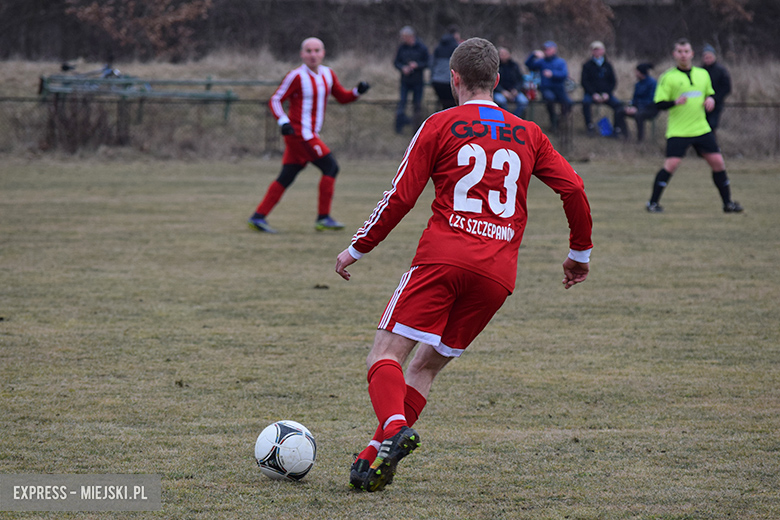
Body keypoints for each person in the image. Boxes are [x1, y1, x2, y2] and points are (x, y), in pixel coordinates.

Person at [335, 37, 593, 492]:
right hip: (496, 276)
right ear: (497, 79)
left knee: (384, 356)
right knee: (424, 369)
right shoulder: (529, 133)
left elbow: (401, 196)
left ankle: (393, 429)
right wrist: (579, 254)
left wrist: (359, 247)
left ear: (453, 78)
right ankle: (373, 457)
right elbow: (573, 189)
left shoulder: (440, 123)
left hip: (442, 260)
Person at [248, 37, 370, 233]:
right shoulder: (296, 76)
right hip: (299, 134)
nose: (313, 55)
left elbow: (342, 97)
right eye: (308, 51)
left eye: (316, 50)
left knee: (287, 175)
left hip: (309, 134)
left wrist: (357, 91)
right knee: (331, 167)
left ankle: (258, 217)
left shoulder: (328, 74)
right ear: (301, 54)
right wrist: (283, 121)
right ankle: (323, 218)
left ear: (323, 53)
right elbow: (276, 100)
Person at [646, 38, 742, 214]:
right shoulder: (668, 77)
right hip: (679, 130)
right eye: (680, 52)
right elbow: (658, 104)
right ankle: (652, 203)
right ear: (675, 54)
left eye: (686, 51)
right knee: (671, 165)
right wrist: (675, 102)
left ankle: (728, 204)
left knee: (718, 163)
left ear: (692, 54)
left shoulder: (702, 74)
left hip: (701, 128)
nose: (683, 55)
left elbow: (710, 93)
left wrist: (711, 99)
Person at [525, 41, 572, 131]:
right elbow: (528, 65)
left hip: (559, 88)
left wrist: (553, 74)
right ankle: (553, 121)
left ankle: (560, 119)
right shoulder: (541, 62)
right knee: (550, 99)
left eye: (548, 49)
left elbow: (564, 74)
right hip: (546, 88)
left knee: (568, 103)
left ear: (554, 50)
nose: (546, 51)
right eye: (545, 50)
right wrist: (533, 55)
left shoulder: (560, 62)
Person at [580, 41, 623, 136]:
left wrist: (607, 93)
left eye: (599, 49)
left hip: (606, 94)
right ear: (592, 51)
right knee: (585, 103)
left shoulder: (608, 65)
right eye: (595, 50)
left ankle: (616, 129)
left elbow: (613, 81)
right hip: (591, 94)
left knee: (618, 105)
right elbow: (584, 82)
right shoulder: (587, 65)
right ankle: (589, 126)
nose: (597, 52)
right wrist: (593, 94)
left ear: (603, 51)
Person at [394, 26, 430, 133]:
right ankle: (399, 127)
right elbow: (396, 62)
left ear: (411, 36)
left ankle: (416, 127)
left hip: (418, 82)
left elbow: (428, 62)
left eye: (405, 37)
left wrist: (417, 65)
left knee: (417, 104)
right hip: (405, 81)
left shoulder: (422, 48)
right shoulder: (402, 48)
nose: (404, 39)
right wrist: (402, 68)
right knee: (402, 102)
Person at [615, 62, 658, 142]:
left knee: (639, 115)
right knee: (619, 111)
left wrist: (637, 108)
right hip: (637, 107)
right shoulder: (638, 84)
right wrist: (630, 106)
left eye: (636, 72)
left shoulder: (653, 84)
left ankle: (640, 139)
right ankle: (625, 135)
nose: (635, 74)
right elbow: (635, 99)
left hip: (650, 109)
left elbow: (651, 100)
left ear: (641, 73)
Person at [701, 44, 732, 134]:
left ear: (714, 56)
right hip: (701, 104)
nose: (708, 59)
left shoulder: (721, 71)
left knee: (711, 126)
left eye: (709, 57)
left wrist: (714, 99)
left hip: (716, 105)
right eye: (706, 57)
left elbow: (727, 88)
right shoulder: (700, 71)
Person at [430, 25, 461, 110]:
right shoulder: (456, 47)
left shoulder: (438, 46)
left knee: (443, 104)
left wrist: (431, 78)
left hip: (437, 80)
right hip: (448, 81)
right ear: (455, 35)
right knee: (452, 105)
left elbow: (432, 64)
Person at [494, 47, 529, 118]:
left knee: (523, 101)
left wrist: (516, 90)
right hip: (500, 92)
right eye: (501, 54)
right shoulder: (495, 67)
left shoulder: (514, 66)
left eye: (505, 54)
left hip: (514, 91)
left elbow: (520, 80)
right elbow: (493, 81)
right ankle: (505, 118)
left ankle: (514, 117)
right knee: (501, 101)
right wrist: (502, 91)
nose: (503, 55)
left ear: (509, 54)